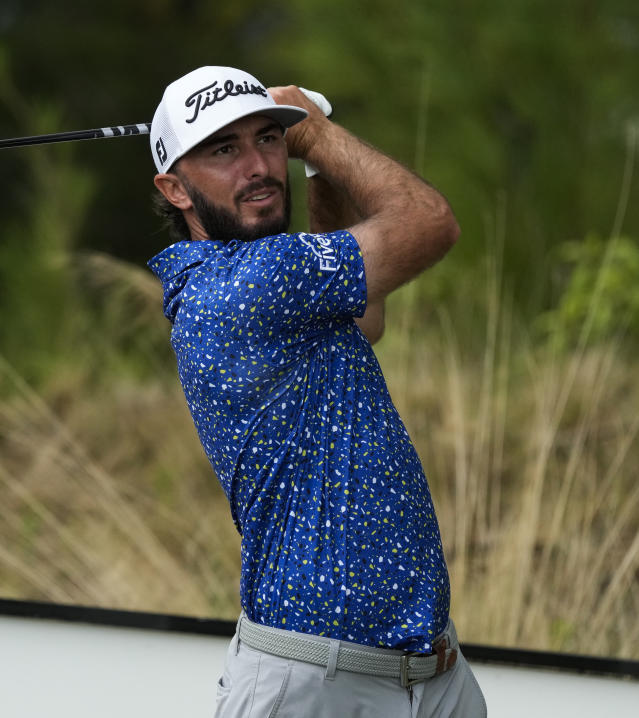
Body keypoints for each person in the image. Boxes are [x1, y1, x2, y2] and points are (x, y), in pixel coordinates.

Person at [147, 66, 486, 717]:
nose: (257, 165)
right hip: (311, 682)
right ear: (175, 188)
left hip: (431, 670)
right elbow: (429, 222)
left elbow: (364, 320)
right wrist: (318, 135)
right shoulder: (243, 284)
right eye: (223, 149)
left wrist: (315, 170)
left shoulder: (278, 278)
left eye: (269, 140)